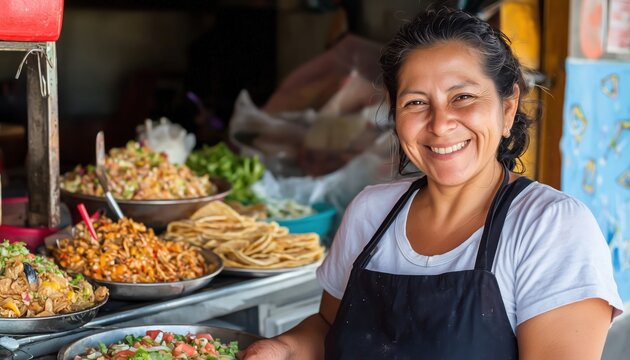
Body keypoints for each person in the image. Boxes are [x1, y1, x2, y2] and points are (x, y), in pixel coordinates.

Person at [238, 7, 623, 360]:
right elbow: (328, 329)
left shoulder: (550, 227)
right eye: (417, 103)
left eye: (463, 97)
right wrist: (282, 348)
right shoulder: (370, 212)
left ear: (507, 109)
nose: (440, 124)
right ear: (395, 113)